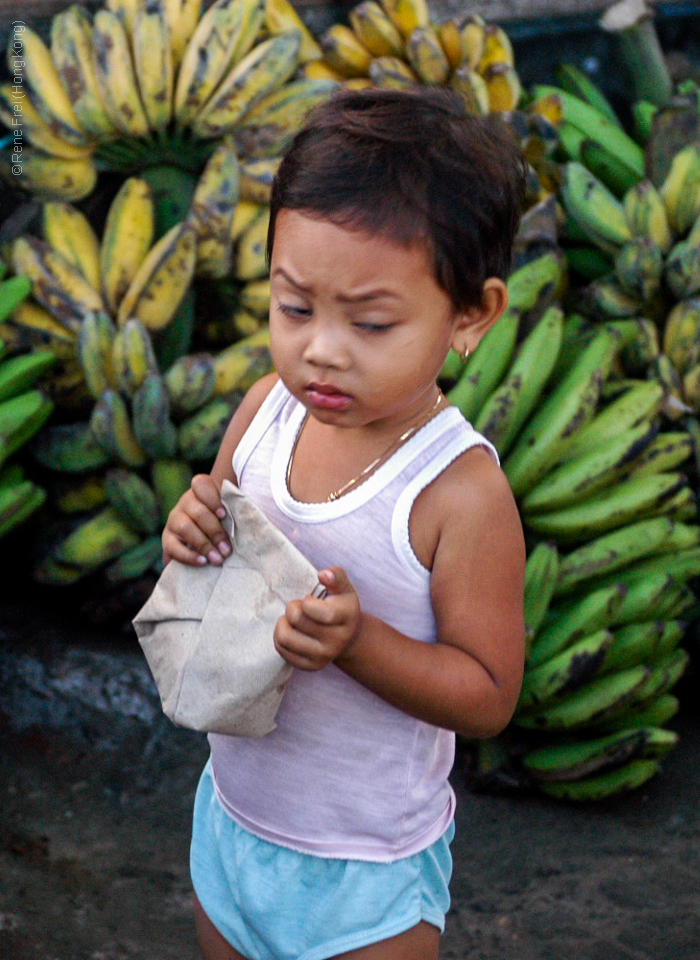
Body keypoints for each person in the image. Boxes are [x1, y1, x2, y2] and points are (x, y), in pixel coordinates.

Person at [159, 86, 527, 960]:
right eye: (294, 308)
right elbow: (210, 566)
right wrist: (191, 530)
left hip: (364, 876)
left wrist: (357, 643)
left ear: (470, 315)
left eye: (370, 322)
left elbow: (487, 696)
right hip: (233, 821)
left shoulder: (456, 494)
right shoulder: (263, 414)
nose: (321, 348)